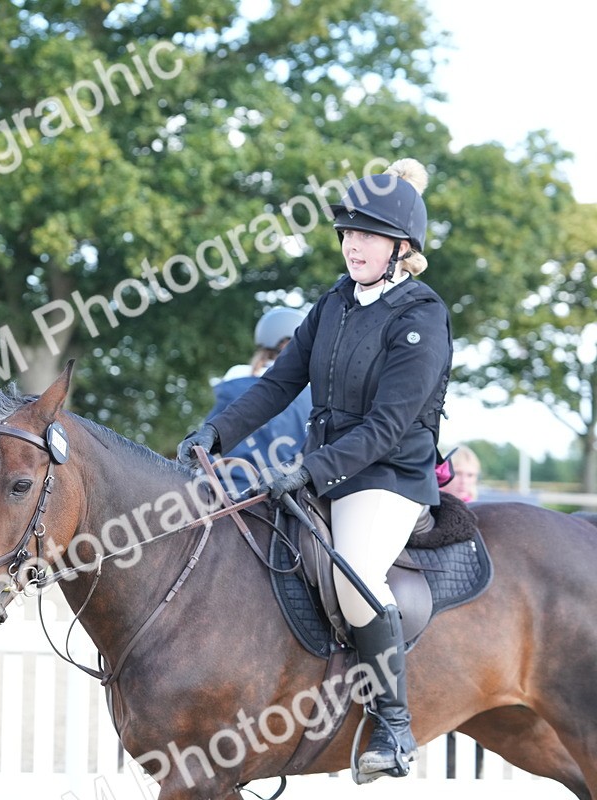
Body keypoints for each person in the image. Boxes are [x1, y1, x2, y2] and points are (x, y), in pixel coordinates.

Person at [177, 158, 452, 781]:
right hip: (325, 468)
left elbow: (388, 427)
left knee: (354, 577)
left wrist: (308, 471)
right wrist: (217, 431)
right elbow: (277, 383)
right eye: (348, 232)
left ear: (401, 247)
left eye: (369, 234)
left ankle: (392, 724)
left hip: (385, 477)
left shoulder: (422, 316)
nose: (353, 243)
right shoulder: (334, 303)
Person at [204, 307, 313, 497]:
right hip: (281, 492)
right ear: (288, 343)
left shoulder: (235, 376)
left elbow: (209, 439)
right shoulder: (311, 392)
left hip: (223, 489)